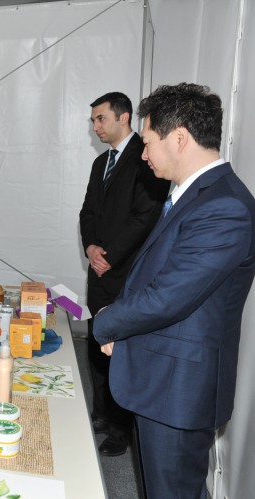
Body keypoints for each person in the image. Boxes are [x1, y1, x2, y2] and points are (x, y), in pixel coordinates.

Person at [93, 83, 255, 498]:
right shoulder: (193, 197)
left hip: (179, 387)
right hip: (162, 378)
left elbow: (170, 295)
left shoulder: (225, 206)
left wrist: (107, 323)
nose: (143, 154)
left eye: (148, 143)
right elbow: (157, 278)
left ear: (179, 138)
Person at [78, 92, 170, 457]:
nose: (96, 126)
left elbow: (144, 216)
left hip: (128, 273)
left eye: (101, 119)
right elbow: (87, 212)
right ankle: (101, 413)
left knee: (123, 350)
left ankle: (121, 427)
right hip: (99, 273)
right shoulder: (101, 163)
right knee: (96, 345)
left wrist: (110, 256)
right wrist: (90, 249)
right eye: (93, 121)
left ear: (124, 117)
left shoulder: (145, 159)